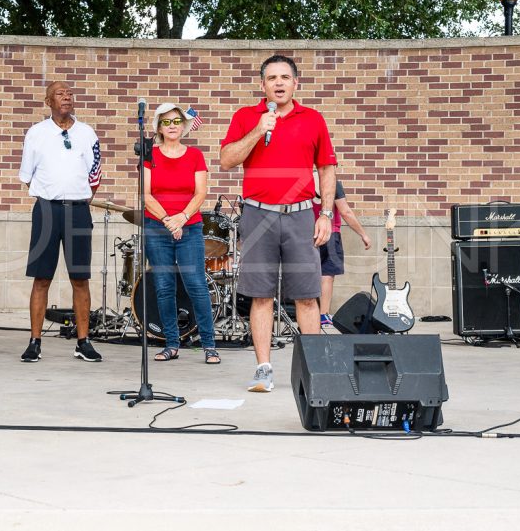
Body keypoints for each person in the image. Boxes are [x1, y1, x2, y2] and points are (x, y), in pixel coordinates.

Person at [221, 54, 337, 392]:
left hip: (301, 214)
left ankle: (314, 372)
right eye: (272, 78)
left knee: (307, 296)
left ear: (296, 83)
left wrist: (326, 214)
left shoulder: (312, 119)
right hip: (259, 214)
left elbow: (326, 169)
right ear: (263, 85)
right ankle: (263, 369)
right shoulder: (246, 117)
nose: (279, 83)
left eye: (285, 77)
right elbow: (227, 160)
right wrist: (259, 130)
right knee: (261, 295)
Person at [18, 82, 102, 363]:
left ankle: (83, 342)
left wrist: (78, 197)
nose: (66, 97)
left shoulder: (87, 133)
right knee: (42, 277)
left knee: (80, 278)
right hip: (47, 210)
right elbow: (27, 175)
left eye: (69, 93)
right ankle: (34, 342)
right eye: (59, 94)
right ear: (48, 101)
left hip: (78, 210)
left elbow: (95, 173)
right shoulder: (36, 133)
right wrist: (50, 195)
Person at [143, 103, 219, 364]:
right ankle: (171, 344)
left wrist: (182, 218)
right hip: (157, 227)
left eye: (176, 121)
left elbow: (201, 193)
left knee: (196, 285)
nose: (172, 126)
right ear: (159, 127)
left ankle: (209, 345)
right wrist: (167, 220)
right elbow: (146, 195)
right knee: (164, 287)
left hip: (189, 227)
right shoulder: (150, 155)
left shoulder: (195, 155)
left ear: (183, 125)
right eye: (166, 122)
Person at [313, 172, 372, 327]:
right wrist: (363, 234)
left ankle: (308, 314)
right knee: (327, 275)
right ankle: (323, 315)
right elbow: (345, 211)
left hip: (308, 233)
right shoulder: (333, 183)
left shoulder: (306, 181)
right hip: (330, 233)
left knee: (307, 275)